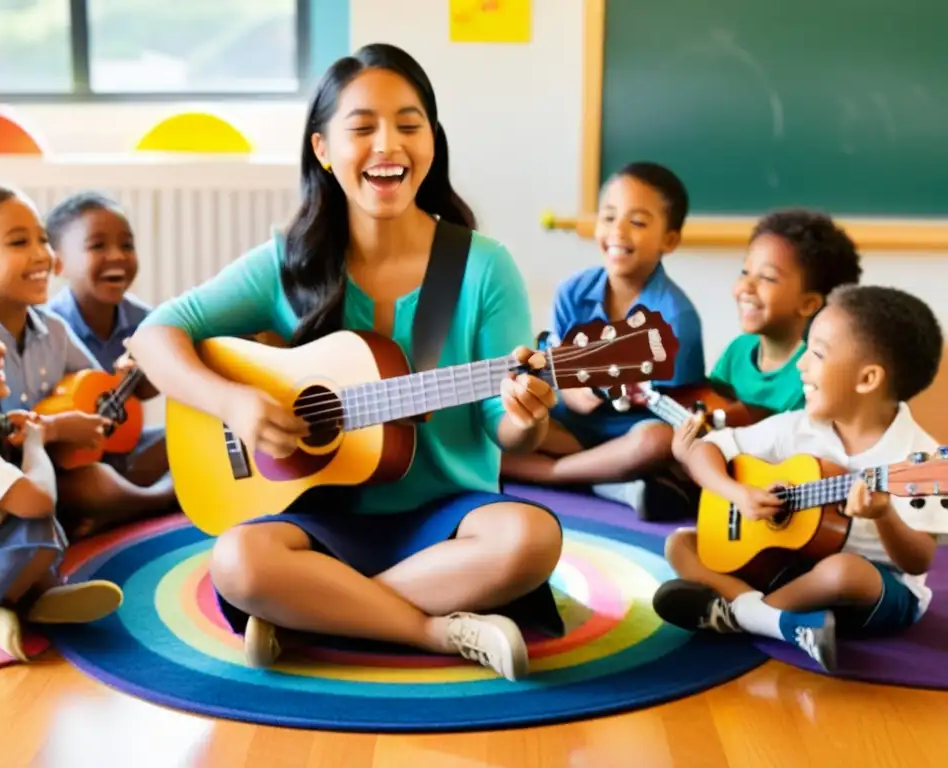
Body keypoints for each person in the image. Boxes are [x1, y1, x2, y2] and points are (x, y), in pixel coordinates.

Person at [128, 43, 564, 681]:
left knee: (530, 540)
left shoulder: (479, 266)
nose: (388, 144)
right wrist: (235, 401)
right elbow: (155, 334)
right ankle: (429, 628)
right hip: (318, 517)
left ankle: (313, 610)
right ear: (323, 150)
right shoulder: (290, 261)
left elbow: (507, 422)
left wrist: (527, 418)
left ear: (432, 144)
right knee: (240, 561)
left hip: (448, 516)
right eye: (362, 128)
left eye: (409, 125)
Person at [655, 285, 947, 671]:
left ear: (867, 379)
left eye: (818, 353)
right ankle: (782, 623)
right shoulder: (799, 426)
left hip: (873, 591)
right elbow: (707, 450)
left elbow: (916, 560)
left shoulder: (918, 461)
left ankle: (739, 615)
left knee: (844, 571)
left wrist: (884, 517)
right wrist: (737, 493)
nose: (800, 364)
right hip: (789, 565)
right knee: (681, 545)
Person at [0, 186, 175, 538]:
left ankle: (120, 508)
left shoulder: (55, 329)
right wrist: (57, 428)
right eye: (19, 243)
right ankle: (163, 499)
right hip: (13, 483)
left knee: (172, 439)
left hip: (64, 462)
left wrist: (124, 376)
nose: (43, 255)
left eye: (43, 240)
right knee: (95, 484)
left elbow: (98, 388)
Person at [0, 280, 122, 660]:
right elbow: (40, 502)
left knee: (19, 507)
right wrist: (36, 441)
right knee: (34, 521)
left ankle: (33, 597)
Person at [501, 162, 706, 520]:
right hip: (567, 429)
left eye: (638, 222)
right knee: (493, 421)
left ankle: (551, 474)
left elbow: (681, 412)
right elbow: (560, 380)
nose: (618, 231)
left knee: (658, 441)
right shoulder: (572, 292)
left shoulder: (676, 319)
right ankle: (609, 482)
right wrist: (574, 392)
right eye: (609, 217)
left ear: (669, 240)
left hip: (627, 439)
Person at [45, 191, 170, 488]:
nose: (117, 255)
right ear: (57, 264)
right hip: (70, 463)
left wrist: (150, 377)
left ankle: (129, 500)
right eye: (97, 245)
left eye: (127, 245)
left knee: (192, 436)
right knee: (87, 483)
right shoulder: (48, 329)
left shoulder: (147, 322)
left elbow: (159, 383)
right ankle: (154, 498)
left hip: (126, 448)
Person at [706, 209, 862, 418]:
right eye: (745, 272)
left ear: (808, 304)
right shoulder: (737, 351)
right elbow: (709, 405)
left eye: (768, 278)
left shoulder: (815, 372)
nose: (746, 286)